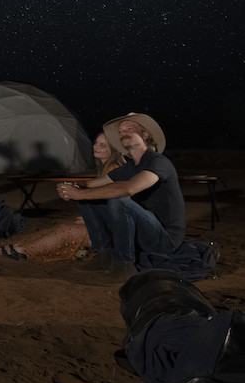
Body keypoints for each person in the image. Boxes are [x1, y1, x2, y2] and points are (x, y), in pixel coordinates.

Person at [56, 113, 186, 280]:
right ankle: (103, 256)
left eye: (129, 129)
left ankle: (124, 265)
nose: (123, 132)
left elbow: (129, 189)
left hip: (165, 240)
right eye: (121, 130)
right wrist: (71, 188)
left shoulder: (158, 162)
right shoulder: (128, 167)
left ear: (145, 135)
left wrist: (80, 192)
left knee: (119, 200)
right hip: (143, 232)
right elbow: (92, 185)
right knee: (88, 199)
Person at [0, 132, 125, 261]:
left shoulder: (114, 169)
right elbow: (92, 188)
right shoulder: (105, 169)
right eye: (96, 143)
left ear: (113, 150)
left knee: (66, 230)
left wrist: (96, 218)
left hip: (113, 229)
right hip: (105, 224)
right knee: (62, 228)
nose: (96, 147)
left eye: (102, 145)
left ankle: (22, 251)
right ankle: (22, 247)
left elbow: (120, 205)